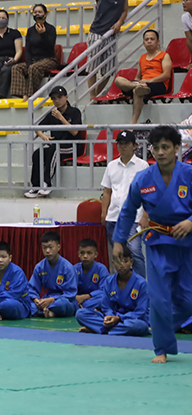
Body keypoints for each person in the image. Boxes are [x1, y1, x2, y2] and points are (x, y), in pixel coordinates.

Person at [112, 126, 192, 363]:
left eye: (165, 147)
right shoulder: (144, 178)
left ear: (177, 148)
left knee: (188, 302)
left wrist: (190, 222)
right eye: (156, 147)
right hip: (157, 243)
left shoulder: (189, 173)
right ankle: (161, 348)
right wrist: (118, 240)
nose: (159, 152)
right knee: (158, 300)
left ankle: (158, 327)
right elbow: (127, 211)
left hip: (187, 244)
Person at [59, 0, 128, 95]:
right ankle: (93, 97)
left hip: (111, 35)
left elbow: (125, 10)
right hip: (96, 34)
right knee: (93, 68)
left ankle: (96, 94)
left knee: (109, 70)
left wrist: (119, 22)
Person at [100, 130, 149, 277]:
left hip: (134, 218)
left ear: (134, 145)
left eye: (126, 143)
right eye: (120, 144)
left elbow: (148, 194)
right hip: (113, 217)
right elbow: (107, 191)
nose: (123, 146)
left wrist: (145, 216)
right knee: (115, 254)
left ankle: (141, 285)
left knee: (135, 252)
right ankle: (118, 285)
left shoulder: (143, 166)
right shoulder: (111, 166)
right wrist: (104, 213)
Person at [24, 85, 82, 198]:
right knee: (38, 153)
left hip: (73, 146)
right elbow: (38, 128)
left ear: (66, 97)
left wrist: (61, 118)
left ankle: (47, 183)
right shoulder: (52, 114)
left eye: (59, 97)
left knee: (54, 149)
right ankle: (35, 186)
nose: (57, 100)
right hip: (56, 146)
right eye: (54, 98)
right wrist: (43, 136)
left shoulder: (75, 112)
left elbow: (75, 132)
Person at [76, 247, 149, 336]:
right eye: (118, 262)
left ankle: (101, 329)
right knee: (81, 314)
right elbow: (106, 306)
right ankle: (110, 329)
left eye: (125, 261)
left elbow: (140, 312)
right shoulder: (109, 281)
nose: (121, 265)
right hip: (112, 318)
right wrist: (109, 316)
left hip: (132, 320)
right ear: (113, 263)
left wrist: (119, 318)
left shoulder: (141, 283)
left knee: (138, 326)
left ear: (131, 262)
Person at [114, 29, 173, 124]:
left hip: (158, 84)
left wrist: (150, 81)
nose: (149, 41)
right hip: (143, 84)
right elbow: (138, 77)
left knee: (138, 91)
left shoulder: (164, 56)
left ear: (158, 42)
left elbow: (166, 74)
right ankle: (136, 86)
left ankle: (133, 122)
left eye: (152, 39)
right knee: (118, 80)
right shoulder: (142, 58)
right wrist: (136, 83)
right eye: (147, 39)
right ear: (143, 43)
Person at [10, 4, 58, 99]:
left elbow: (50, 46)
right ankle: (21, 94)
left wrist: (43, 34)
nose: (37, 14)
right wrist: (28, 62)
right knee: (16, 68)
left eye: (39, 12)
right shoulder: (30, 30)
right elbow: (28, 48)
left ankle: (30, 95)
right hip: (34, 60)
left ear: (45, 14)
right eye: (35, 12)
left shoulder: (51, 29)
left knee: (33, 68)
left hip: (48, 59)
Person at [28, 231, 78, 318]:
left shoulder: (68, 267)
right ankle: (45, 310)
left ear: (58, 247)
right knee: (26, 303)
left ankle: (49, 312)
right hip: (46, 299)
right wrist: (36, 300)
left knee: (63, 304)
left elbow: (71, 293)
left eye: (50, 247)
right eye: (44, 248)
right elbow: (31, 288)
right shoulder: (39, 267)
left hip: (61, 300)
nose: (47, 251)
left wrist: (51, 300)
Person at [73, 239, 109, 312]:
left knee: (106, 298)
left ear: (95, 254)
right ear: (78, 254)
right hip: (78, 300)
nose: (85, 256)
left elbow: (105, 290)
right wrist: (76, 298)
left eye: (89, 253)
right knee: (65, 301)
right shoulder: (74, 269)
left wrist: (86, 296)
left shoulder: (101, 269)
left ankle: (84, 308)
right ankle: (91, 309)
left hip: (94, 299)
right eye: (82, 253)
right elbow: (70, 289)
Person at [182, 0, 192, 64]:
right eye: (183, 0)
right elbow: (189, 39)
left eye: (186, 0)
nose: (183, 3)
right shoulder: (185, 17)